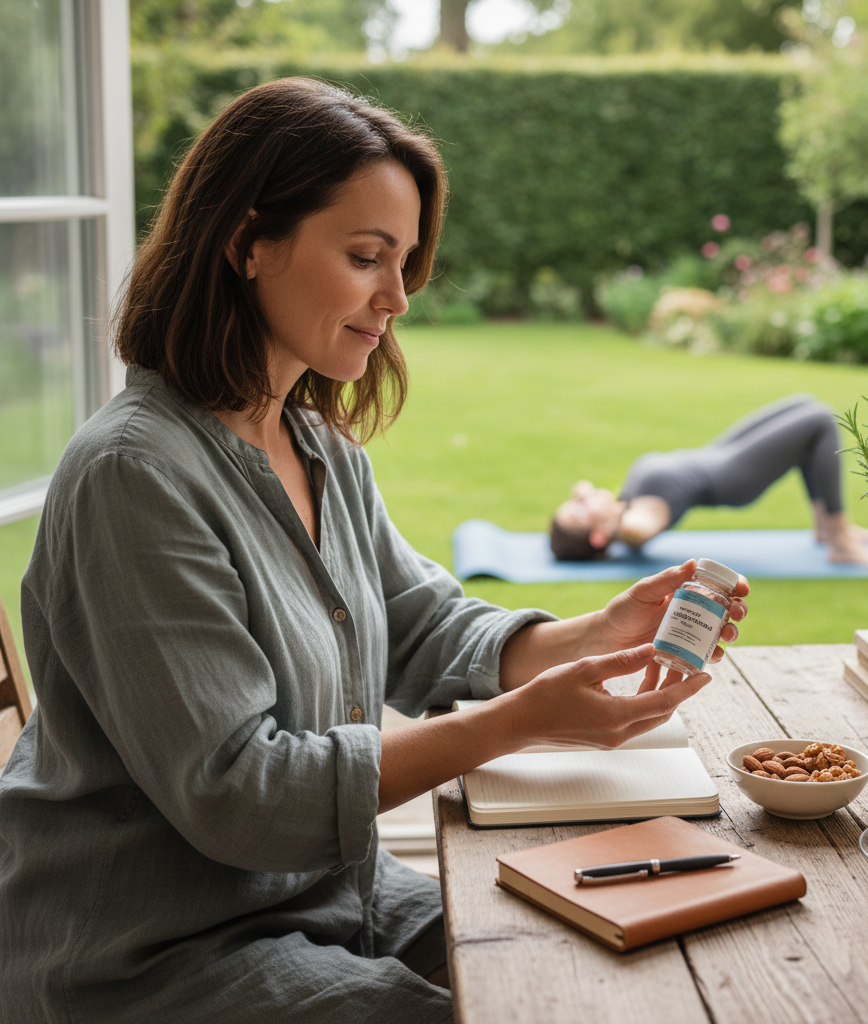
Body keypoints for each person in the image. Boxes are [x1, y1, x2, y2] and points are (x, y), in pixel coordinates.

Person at [0, 79, 748, 1024]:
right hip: (151, 954)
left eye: (403, 264)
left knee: (598, 959)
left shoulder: (316, 444)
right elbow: (239, 792)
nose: (397, 298)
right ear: (247, 243)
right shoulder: (134, 477)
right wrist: (516, 721)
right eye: (366, 257)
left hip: (328, 900)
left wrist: (596, 632)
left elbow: (418, 623)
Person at [549, 394, 868, 567]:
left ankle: (824, 527)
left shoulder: (623, 503)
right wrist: (611, 527)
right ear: (599, 535)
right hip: (733, 476)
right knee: (819, 420)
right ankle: (840, 542)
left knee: (804, 402)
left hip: (718, 453)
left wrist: (585, 502)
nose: (581, 499)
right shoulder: (637, 522)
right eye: (579, 511)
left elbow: (585, 493)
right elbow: (637, 533)